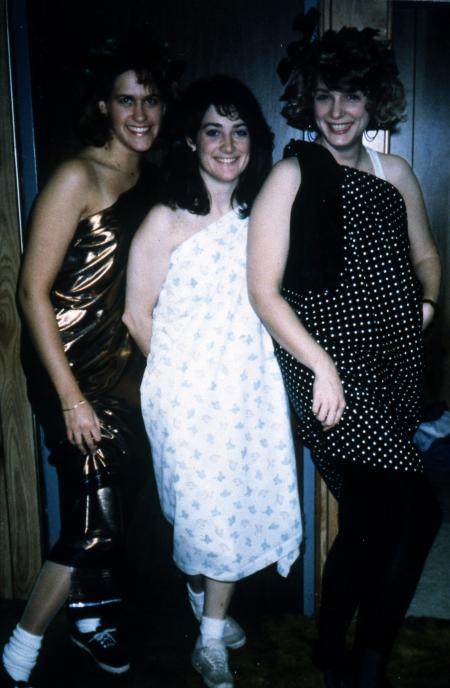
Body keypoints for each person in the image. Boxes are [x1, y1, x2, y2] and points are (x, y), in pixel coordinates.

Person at [247, 24, 442, 688]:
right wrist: (324, 366)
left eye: (352, 96)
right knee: (412, 512)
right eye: (325, 95)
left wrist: (428, 306)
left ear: (374, 101)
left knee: (371, 519)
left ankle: (334, 650)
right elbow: (263, 291)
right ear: (308, 99)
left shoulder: (396, 173)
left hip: (393, 367)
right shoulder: (291, 173)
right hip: (326, 370)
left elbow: (426, 256)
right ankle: (365, 663)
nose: (337, 110)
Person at [1, 42, 180, 688]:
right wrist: (71, 398)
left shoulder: (155, 179)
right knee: (96, 521)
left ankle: (87, 619)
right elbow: (30, 292)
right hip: (67, 366)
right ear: (104, 105)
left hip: (128, 367)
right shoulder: (77, 175)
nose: (139, 114)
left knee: (106, 502)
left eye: (151, 100)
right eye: (126, 99)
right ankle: (21, 649)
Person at [123, 75, 302, 688]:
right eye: (212, 131)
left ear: (255, 141)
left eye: (240, 131)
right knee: (201, 514)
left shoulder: (261, 217)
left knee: (227, 512)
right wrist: (182, 382)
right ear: (191, 142)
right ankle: (209, 622)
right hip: (188, 398)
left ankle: (208, 630)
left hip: (249, 394)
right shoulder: (165, 221)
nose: (227, 145)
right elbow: (136, 314)